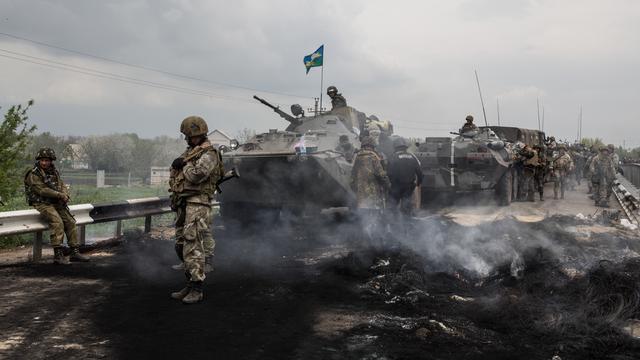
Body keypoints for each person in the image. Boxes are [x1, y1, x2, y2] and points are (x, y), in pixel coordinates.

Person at [169, 116, 224, 304]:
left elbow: (197, 175)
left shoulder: (209, 154)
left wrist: (184, 165)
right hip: (186, 202)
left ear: (198, 134)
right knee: (182, 245)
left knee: (193, 245)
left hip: (199, 203)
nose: (186, 139)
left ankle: (197, 288)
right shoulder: (192, 151)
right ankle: (190, 283)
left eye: (188, 135)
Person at [24, 148, 90, 265]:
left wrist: (65, 194)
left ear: (51, 161)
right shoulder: (33, 173)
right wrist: (59, 195)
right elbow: (41, 190)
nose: (44, 163)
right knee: (57, 222)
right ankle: (58, 255)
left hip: (56, 202)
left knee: (70, 222)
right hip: (42, 203)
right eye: (42, 160)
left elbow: (61, 184)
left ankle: (74, 251)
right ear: (39, 160)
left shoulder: (53, 171)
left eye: (47, 160)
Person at [350, 136, 390, 246]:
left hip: (361, 197)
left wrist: (356, 190)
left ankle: (364, 240)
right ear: (372, 146)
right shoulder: (374, 157)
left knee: (364, 218)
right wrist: (387, 185)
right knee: (375, 217)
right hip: (374, 195)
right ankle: (376, 242)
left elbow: (352, 178)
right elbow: (381, 175)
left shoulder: (357, 157)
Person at [387, 137, 423, 215]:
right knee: (406, 207)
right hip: (409, 187)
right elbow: (419, 172)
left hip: (396, 186)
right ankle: (407, 223)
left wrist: (391, 185)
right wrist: (418, 183)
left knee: (392, 207)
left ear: (395, 146)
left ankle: (393, 223)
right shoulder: (412, 157)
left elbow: (389, 173)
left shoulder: (393, 157)